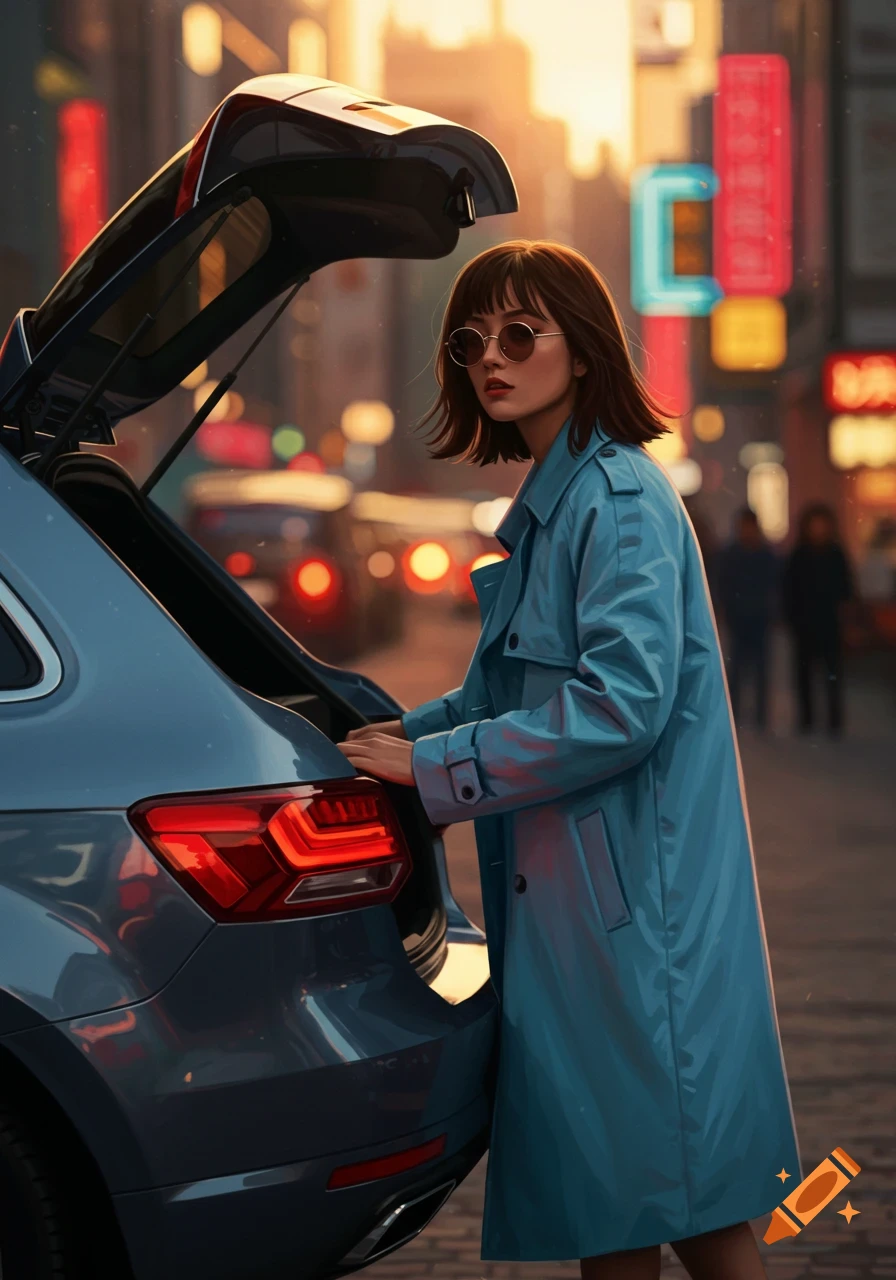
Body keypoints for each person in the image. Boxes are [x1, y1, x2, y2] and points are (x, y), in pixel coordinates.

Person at [337, 241, 801, 1280]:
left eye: (517, 333)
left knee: (673, 1195)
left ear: (580, 347)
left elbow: (616, 706)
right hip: (588, 916)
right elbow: (510, 693)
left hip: (636, 916)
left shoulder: (618, 502)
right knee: (627, 1198)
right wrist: (403, 739)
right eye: (468, 341)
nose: (488, 359)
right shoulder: (562, 500)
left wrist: (437, 766)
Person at [782, 503, 854, 737]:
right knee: (803, 675)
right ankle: (807, 720)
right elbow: (789, 589)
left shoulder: (836, 554)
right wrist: (791, 618)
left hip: (830, 624)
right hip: (804, 624)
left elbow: (846, 588)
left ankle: (834, 721)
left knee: (832, 674)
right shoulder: (799, 554)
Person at [716, 506, 780, 730]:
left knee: (760, 669)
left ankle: (760, 718)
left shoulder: (765, 554)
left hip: (759, 618)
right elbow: (723, 585)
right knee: (735, 670)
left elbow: (774, 585)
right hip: (738, 618)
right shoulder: (732, 554)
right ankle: (734, 717)